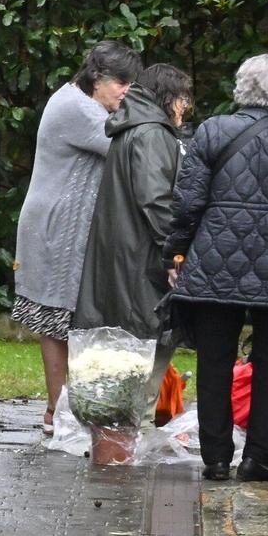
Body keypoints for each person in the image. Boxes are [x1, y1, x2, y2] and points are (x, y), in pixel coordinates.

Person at [164, 53, 268, 481]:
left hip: (216, 261)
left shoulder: (212, 130)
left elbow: (188, 204)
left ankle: (216, 459)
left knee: (215, 360)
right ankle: (259, 458)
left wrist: (176, 254)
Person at [12, 41, 144, 431]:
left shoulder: (83, 102)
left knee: (65, 318)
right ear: (97, 78)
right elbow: (129, 150)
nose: (126, 91)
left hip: (63, 228)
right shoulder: (79, 108)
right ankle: (59, 412)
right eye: (121, 82)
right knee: (55, 317)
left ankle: (65, 411)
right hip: (54, 228)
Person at [74, 64, 194, 396]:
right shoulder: (152, 133)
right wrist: (175, 256)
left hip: (126, 255)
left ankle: (118, 437)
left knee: (123, 358)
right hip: (142, 260)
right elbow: (156, 201)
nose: (186, 107)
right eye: (184, 98)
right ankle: (128, 439)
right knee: (143, 355)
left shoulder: (134, 127)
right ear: (170, 98)